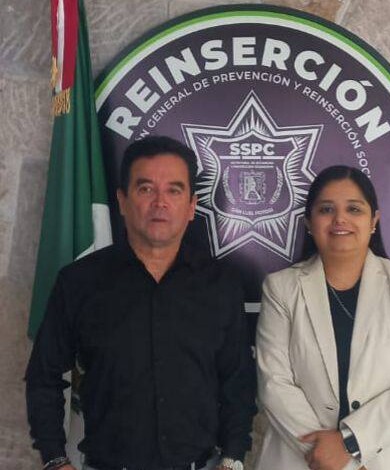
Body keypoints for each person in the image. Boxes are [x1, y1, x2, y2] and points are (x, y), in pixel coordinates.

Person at [25, 136, 256, 470]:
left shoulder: (222, 285)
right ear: (122, 200)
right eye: (146, 189)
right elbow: (43, 377)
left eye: (174, 190)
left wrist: (232, 459)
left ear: (192, 205)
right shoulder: (79, 282)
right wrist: (55, 460)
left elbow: (239, 382)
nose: (160, 202)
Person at [254, 165, 390, 470]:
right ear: (309, 223)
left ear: (373, 221)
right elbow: (274, 384)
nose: (340, 219)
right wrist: (326, 455)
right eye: (326, 209)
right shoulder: (281, 288)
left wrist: (351, 444)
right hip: (302, 457)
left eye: (354, 209)